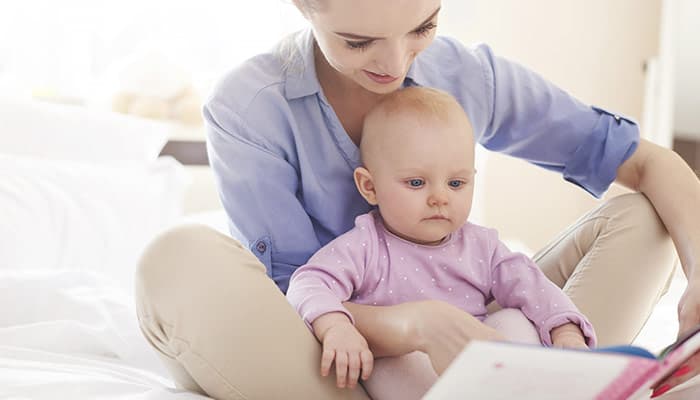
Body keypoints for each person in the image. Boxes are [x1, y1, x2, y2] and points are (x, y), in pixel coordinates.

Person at [134, 1, 700, 399]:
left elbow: (649, 163)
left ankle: (563, 382)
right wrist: (418, 326)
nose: (396, 62)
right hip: (338, 354)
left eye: (422, 26)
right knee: (176, 259)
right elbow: (295, 299)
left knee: (647, 214)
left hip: (477, 340)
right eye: (358, 41)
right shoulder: (251, 106)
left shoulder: (464, 74)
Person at [285, 86, 596, 399]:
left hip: (482, 373)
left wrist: (566, 333)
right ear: (370, 186)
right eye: (417, 183)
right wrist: (336, 326)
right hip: (416, 379)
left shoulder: (482, 246)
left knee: (515, 319)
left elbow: (534, 287)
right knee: (390, 364)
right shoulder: (366, 245)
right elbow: (308, 283)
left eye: (456, 183)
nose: (439, 198)